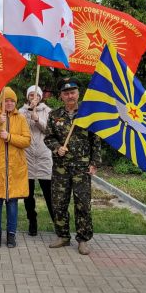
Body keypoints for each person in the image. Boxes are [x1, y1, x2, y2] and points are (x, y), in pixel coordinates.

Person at [44, 79, 102, 256]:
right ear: (61, 96)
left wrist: (94, 163)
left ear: (78, 94)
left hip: (81, 168)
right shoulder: (55, 115)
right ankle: (62, 236)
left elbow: (96, 140)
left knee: (82, 205)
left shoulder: (87, 114)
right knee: (59, 203)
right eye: (66, 93)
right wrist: (56, 147)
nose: (70, 96)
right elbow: (48, 137)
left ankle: (83, 239)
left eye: (73, 92)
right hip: (61, 168)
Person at [0, 87, 31, 249]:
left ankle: (11, 235)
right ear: (0, 102)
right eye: (6, 100)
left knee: (12, 203)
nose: (9, 103)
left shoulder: (21, 118)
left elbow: (27, 141)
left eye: (12, 101)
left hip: (15, 168)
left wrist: (9, 137)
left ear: (15, 103)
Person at [19, 85, 53, 236]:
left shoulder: (48, 111)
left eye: (36, 95)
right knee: (28, 194)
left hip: (44, 156)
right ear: (28, 97)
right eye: (31, 95)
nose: (34, 98)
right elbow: (19, 130)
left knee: (49, 193)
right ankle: (32, 221)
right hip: (27, 156)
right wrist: (28, 115)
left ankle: (58, 222)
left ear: (40, 97)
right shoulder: (20, 112)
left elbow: (50, 130)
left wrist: (38, 119)